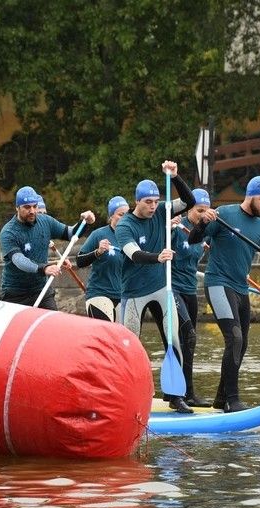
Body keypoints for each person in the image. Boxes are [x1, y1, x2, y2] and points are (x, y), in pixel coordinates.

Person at [188, 176, 260, 412]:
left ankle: (221, 399)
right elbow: (193, 239)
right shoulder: (224, 214)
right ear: (250, 195)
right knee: (234, 339)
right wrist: (203, 222)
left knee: (241, 344)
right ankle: (233, 401)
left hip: (240, 289)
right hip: (218, 283)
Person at [115, 160, 196, 413]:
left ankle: (175, 396)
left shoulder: (163, 210)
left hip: (162, 288)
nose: (152, 206)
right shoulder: (125, 225)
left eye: (155, 201)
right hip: (134, 293)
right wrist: (157, 257)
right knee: (129, 347)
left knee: (174, 340)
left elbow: (190, 201)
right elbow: (133, 254)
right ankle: (124, 397)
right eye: (147, 202)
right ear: (136, 202)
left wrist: (175, 177)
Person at [0, 185, 95, 309]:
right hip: (15, 293)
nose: (32, 211)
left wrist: (85, 222)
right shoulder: (9, 232)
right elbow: (19, 261)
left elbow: (71, 234)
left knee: (53, 325)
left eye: (35, 206)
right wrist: (44, 268)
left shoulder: (45, 221)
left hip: (41, 290)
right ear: (17, 208)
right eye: (27, 207)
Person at [170, 188, 212, 407]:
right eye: (199, 210)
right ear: (189, 209)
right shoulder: (176, 228)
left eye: (206, 211)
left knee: (189, 344)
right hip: (172, 289)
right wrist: (167, 228)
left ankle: (187, 393)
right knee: (188, 336)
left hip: (190, 290)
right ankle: (177, 393)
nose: (202, 214)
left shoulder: (204, 232)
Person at [76, 195, 129, 322]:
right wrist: (97, 252)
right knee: (107, 337)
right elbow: (79, 261)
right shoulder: (98, 234)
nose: (125, 218)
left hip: (123, 296)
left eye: (127, 215)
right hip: (99, 294)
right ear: (111, 216)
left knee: (122, 340)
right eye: (120, 215)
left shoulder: (132, 237)